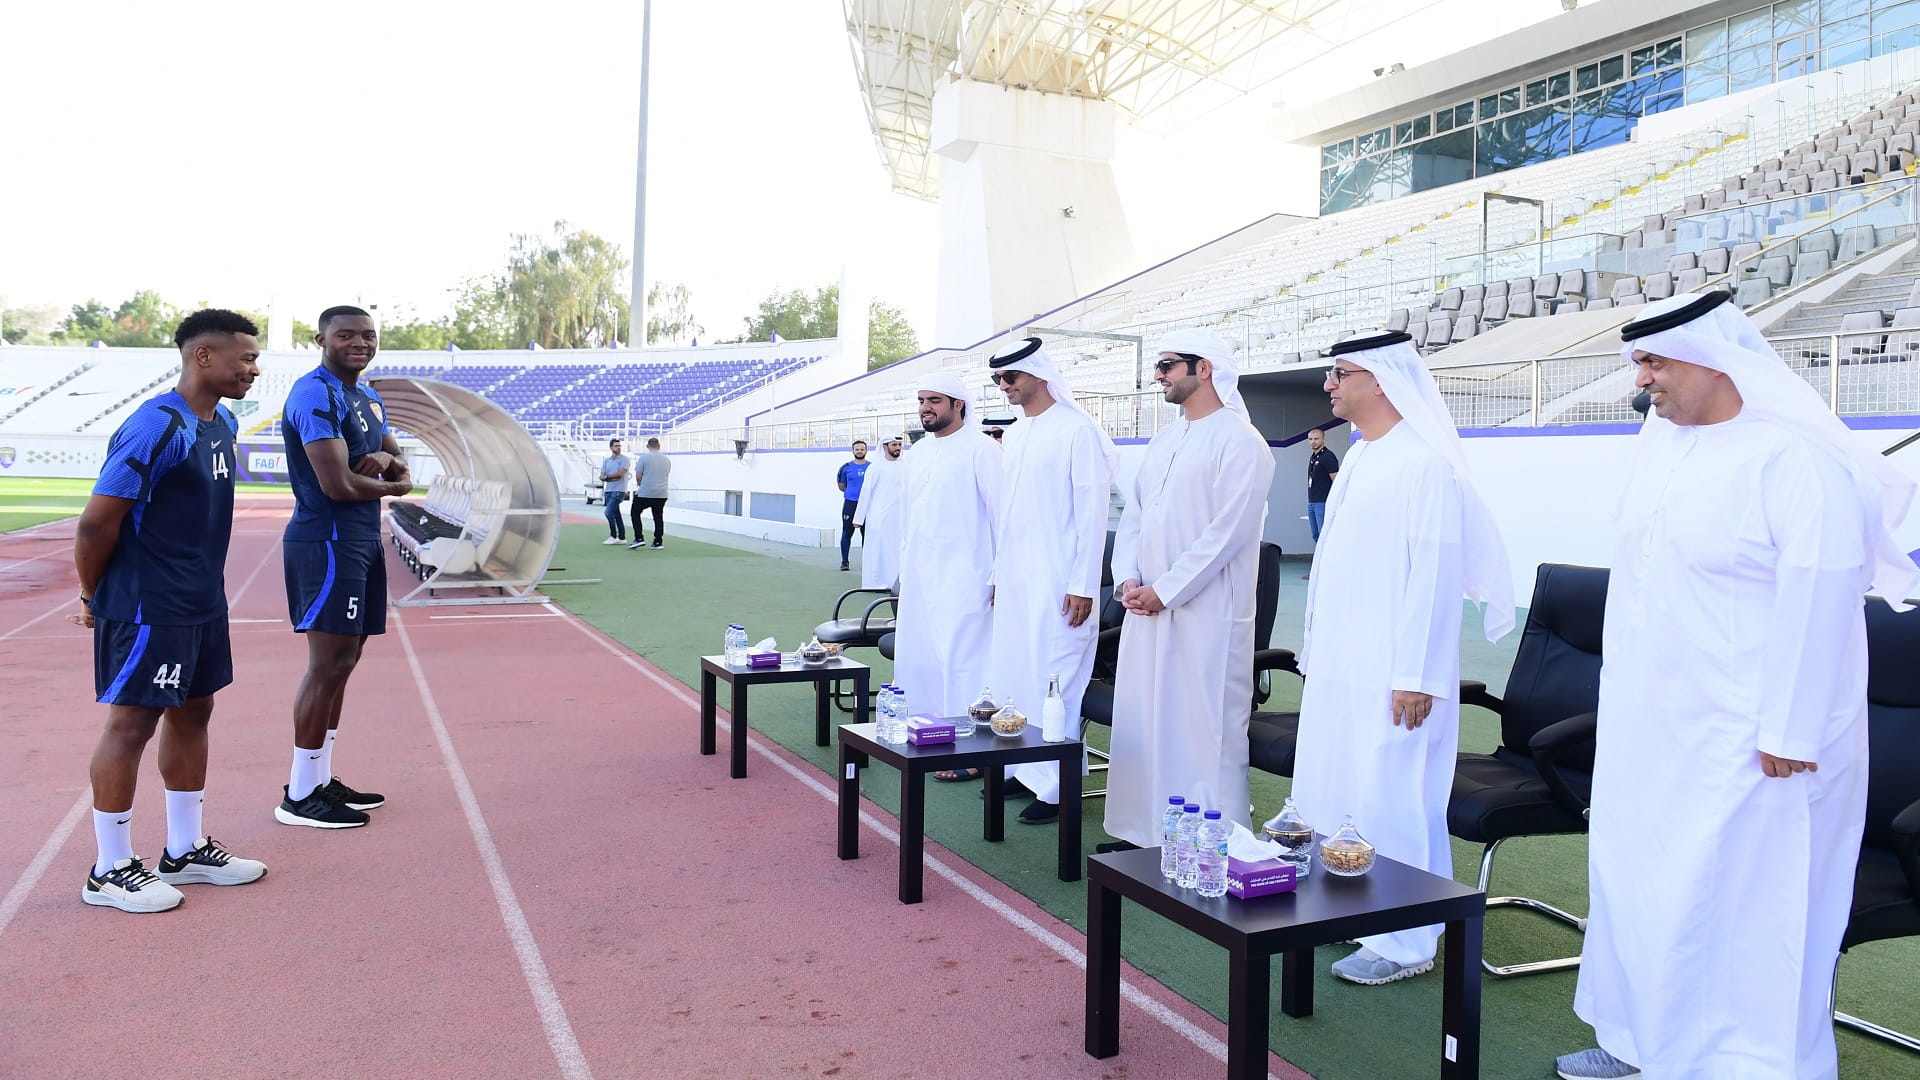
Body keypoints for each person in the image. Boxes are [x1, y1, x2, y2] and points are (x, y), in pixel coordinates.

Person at [1554, 292, 1916, 1080]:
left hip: (1753, 744)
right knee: (1647, 888)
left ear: (1714, 359)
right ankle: (1640, 1040)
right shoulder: (1662, 448)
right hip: (1654, 729)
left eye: (1656, 361)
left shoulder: (1794, 461)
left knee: (1747, 913)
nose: (1643, 378)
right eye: (1638, 363)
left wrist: (1789, 731)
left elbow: (1820, 599)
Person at [1290, 328, 1514, 985]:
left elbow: (1434, 579)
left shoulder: (1424, 463)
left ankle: (1406, 940)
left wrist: (1415, 676)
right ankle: (1345, 912)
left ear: (1382, 379)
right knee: (1336, 788)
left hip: (1396, 673)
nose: (1329, 385)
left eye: (1340, 373)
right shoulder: (1360, 457)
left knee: (1394, 797)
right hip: (1342, 665)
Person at [73, 309, 269, 912]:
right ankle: (109, 868)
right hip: (148, 602)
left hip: (201, 600)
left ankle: (183, 849)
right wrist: (92, 596)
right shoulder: (157, 425)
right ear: (202, 356)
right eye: (246, 359)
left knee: (194, 709)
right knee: (132, 724)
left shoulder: (223, 422)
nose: (254, 370)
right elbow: (96, 522)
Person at [1103, 329, 1274, 850]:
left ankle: (1211, 842)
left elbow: (1226, 534)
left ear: (1205, 369)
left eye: (1168, 365)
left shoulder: (1243, 442)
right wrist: (1128, 578)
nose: (1159, 375)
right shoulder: (1165, 440)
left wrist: (1166, 590)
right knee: (1146, 718)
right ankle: (1145, 832)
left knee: (1203, 731)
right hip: (1147, 607)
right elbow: (1134, 516)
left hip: (1208, 615)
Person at [276, 305, 413, 830]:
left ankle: (319, 778)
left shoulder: (368, 395)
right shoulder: (315, 393)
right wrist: (389, 481)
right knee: (327, 663)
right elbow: (338, 486)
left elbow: (400, 464)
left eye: (369, 335)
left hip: (360, 539)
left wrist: (384, 469)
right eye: (347, 335)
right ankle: (300, 793)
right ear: (321, 339)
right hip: (327, 540)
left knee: (346, 661)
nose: (361, 342)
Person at [984, 337, 1117, 824]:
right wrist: (1000, 574)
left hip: (1061, 582)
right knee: (1016, 670)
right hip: (1018, 581)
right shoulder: (1016, 433)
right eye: (998, 380)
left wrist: (1084, 582)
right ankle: (1024, 771)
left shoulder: (1077, 431)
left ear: (1038, 373)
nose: (1004, 387)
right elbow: (1008, 516)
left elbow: (1092, 511)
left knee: (1056, 676)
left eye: (1011, 378)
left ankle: (1058, 786)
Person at [893, 375, 999, 778]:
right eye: (921, 400)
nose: (925, 408)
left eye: (934, 400)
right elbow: (909, 520)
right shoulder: (916, 454)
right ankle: (924, 734)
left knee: (963, 660)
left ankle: (969, 751)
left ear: (958, 405)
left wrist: (998, 574)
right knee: (919, 654)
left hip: (968, 574)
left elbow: (1002, 516)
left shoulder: (982, 450)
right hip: (921, 574)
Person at [851, 434, 907, 588]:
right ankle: (876, 583)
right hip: (879, 517)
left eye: (899, 445)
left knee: (897, 550)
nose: (897, 448)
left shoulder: (905, 465)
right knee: (878, 550)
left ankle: (895, 583)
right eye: (894, 445)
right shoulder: (875, 467)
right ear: (885, 447)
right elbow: (866, 492)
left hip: (900, 517)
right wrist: (858, 518)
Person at [627, 436, 671, 549]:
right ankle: (658, 541)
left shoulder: (643, 458)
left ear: (648, 446)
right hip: (661, 493)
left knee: (635, 512)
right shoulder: (666, 459)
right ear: (659, 446)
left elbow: (638, 476)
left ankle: (639, 538)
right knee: (658, 517)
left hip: (646, 492)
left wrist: (642, 485)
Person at [836, 441, 870, 571]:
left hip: (867, 504)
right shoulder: (845, 467)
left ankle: (867, 561)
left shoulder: (872, 467)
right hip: (850, 504)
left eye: (862, 449)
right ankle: (844, 561)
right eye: (857, 449)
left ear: (866, 451)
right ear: (853, 451)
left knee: (866, 534)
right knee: (847, 533)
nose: (860, 451)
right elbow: (841, 486)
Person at [1305, 427, 1338, 542]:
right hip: (1312, 502)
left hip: (1323, 502)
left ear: (1323, 440)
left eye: (1316, 439)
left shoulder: (1328, 457)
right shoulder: (1313, 457)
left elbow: (1336, 480)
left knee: (1324, 534)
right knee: (1316, 535)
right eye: (1310, 439)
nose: (1313, 442)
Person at [599, 438, 631, 544]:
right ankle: (622, 538)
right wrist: (608, 478)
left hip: (619, 490)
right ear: (611, 447)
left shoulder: (624, 460)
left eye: (619, 446)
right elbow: (601, 476)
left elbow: (620, 475)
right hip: (609, 490)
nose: (618, 447)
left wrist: (607, 477)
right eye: (616, 446)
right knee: (616, 513)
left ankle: (613, 535)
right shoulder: (607, 461)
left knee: (608, 512)